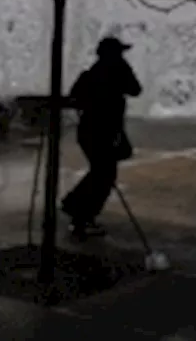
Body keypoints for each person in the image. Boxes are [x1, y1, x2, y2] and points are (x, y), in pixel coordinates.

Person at [62, 35, 142, 239]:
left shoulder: (89, 75)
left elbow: (74, 100)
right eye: (120, 53)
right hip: (102, 132)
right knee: (103, 175)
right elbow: (136, 90)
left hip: (89, 132)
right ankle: (79, 214)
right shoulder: (117, 73)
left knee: (101, 174)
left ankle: (77, 209)